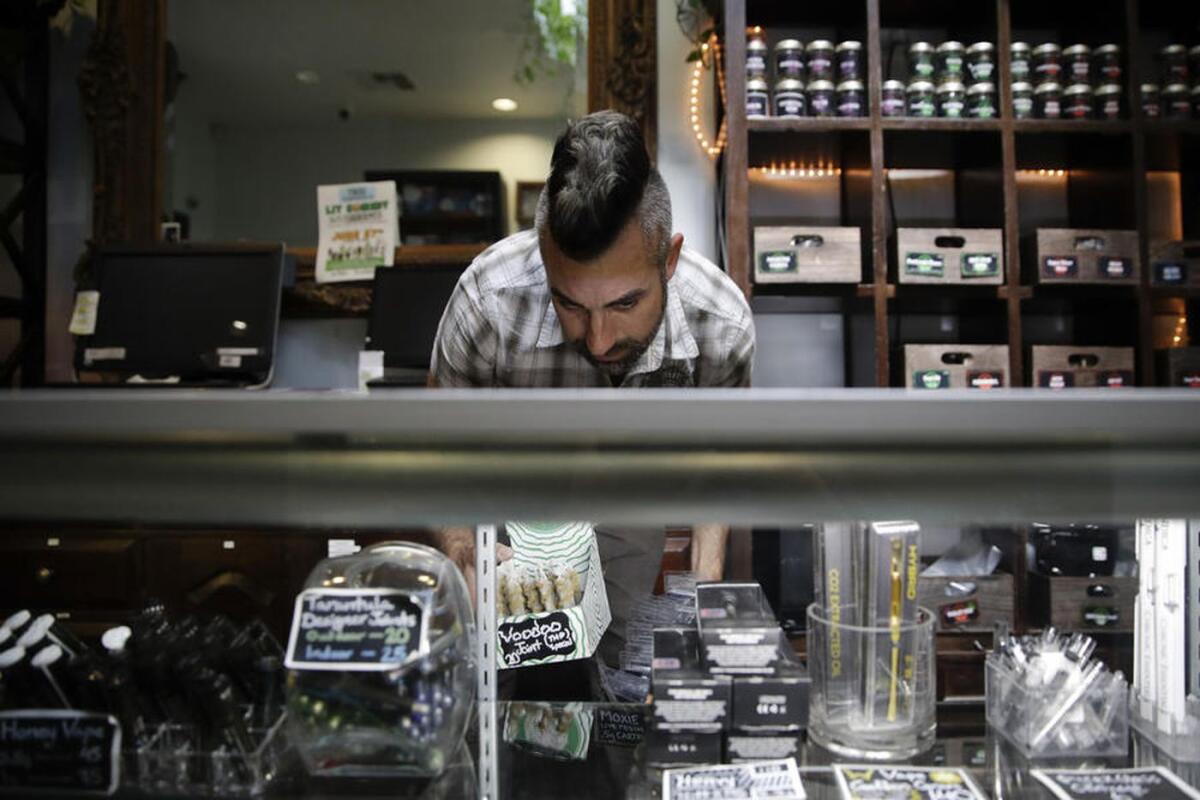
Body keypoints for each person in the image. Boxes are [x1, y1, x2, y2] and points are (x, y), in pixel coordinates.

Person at [428, 109, 755, 676]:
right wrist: (463, 552)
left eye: (625, 303)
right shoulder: (487, 301)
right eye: (570, 304)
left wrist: (704, 588)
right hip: (509, 524)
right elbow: (433, 447)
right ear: (543, 254)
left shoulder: (718, 324)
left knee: (614, 694)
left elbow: (720, 463)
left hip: (632, 514)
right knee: (509, 702)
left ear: (669, 260)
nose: (599, 339)